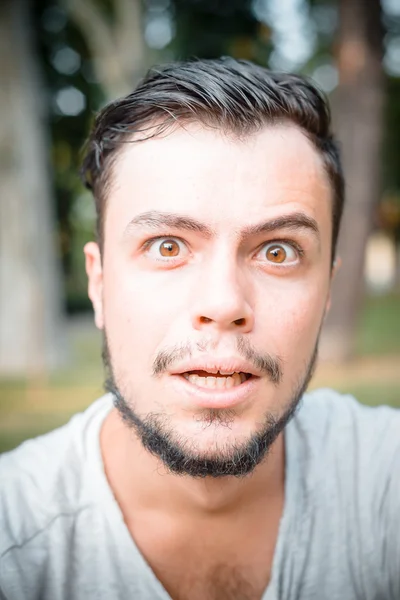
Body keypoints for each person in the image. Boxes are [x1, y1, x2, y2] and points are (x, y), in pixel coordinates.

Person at [0, 57, 399, 600]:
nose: (223, 303)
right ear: (99, 283)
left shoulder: (385, 483)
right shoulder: (14, 538)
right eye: (167, 246)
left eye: (277, 251)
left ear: (326, 293)